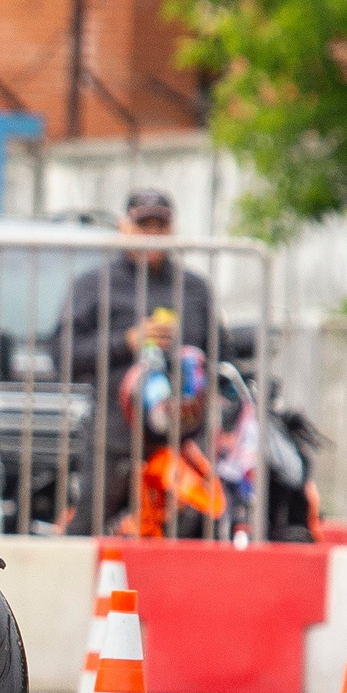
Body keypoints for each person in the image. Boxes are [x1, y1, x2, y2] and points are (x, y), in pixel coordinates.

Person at [56, 187, 216, 531]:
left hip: (183, 440)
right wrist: (126, 341)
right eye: (145, 225)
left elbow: (221, 355)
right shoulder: (94, 284)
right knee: (89, 532)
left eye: (161, 226)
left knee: (199, 531)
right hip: (115, 438)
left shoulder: (194, 288)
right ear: (124, 227)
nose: (153, 235)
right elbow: (63, 354)